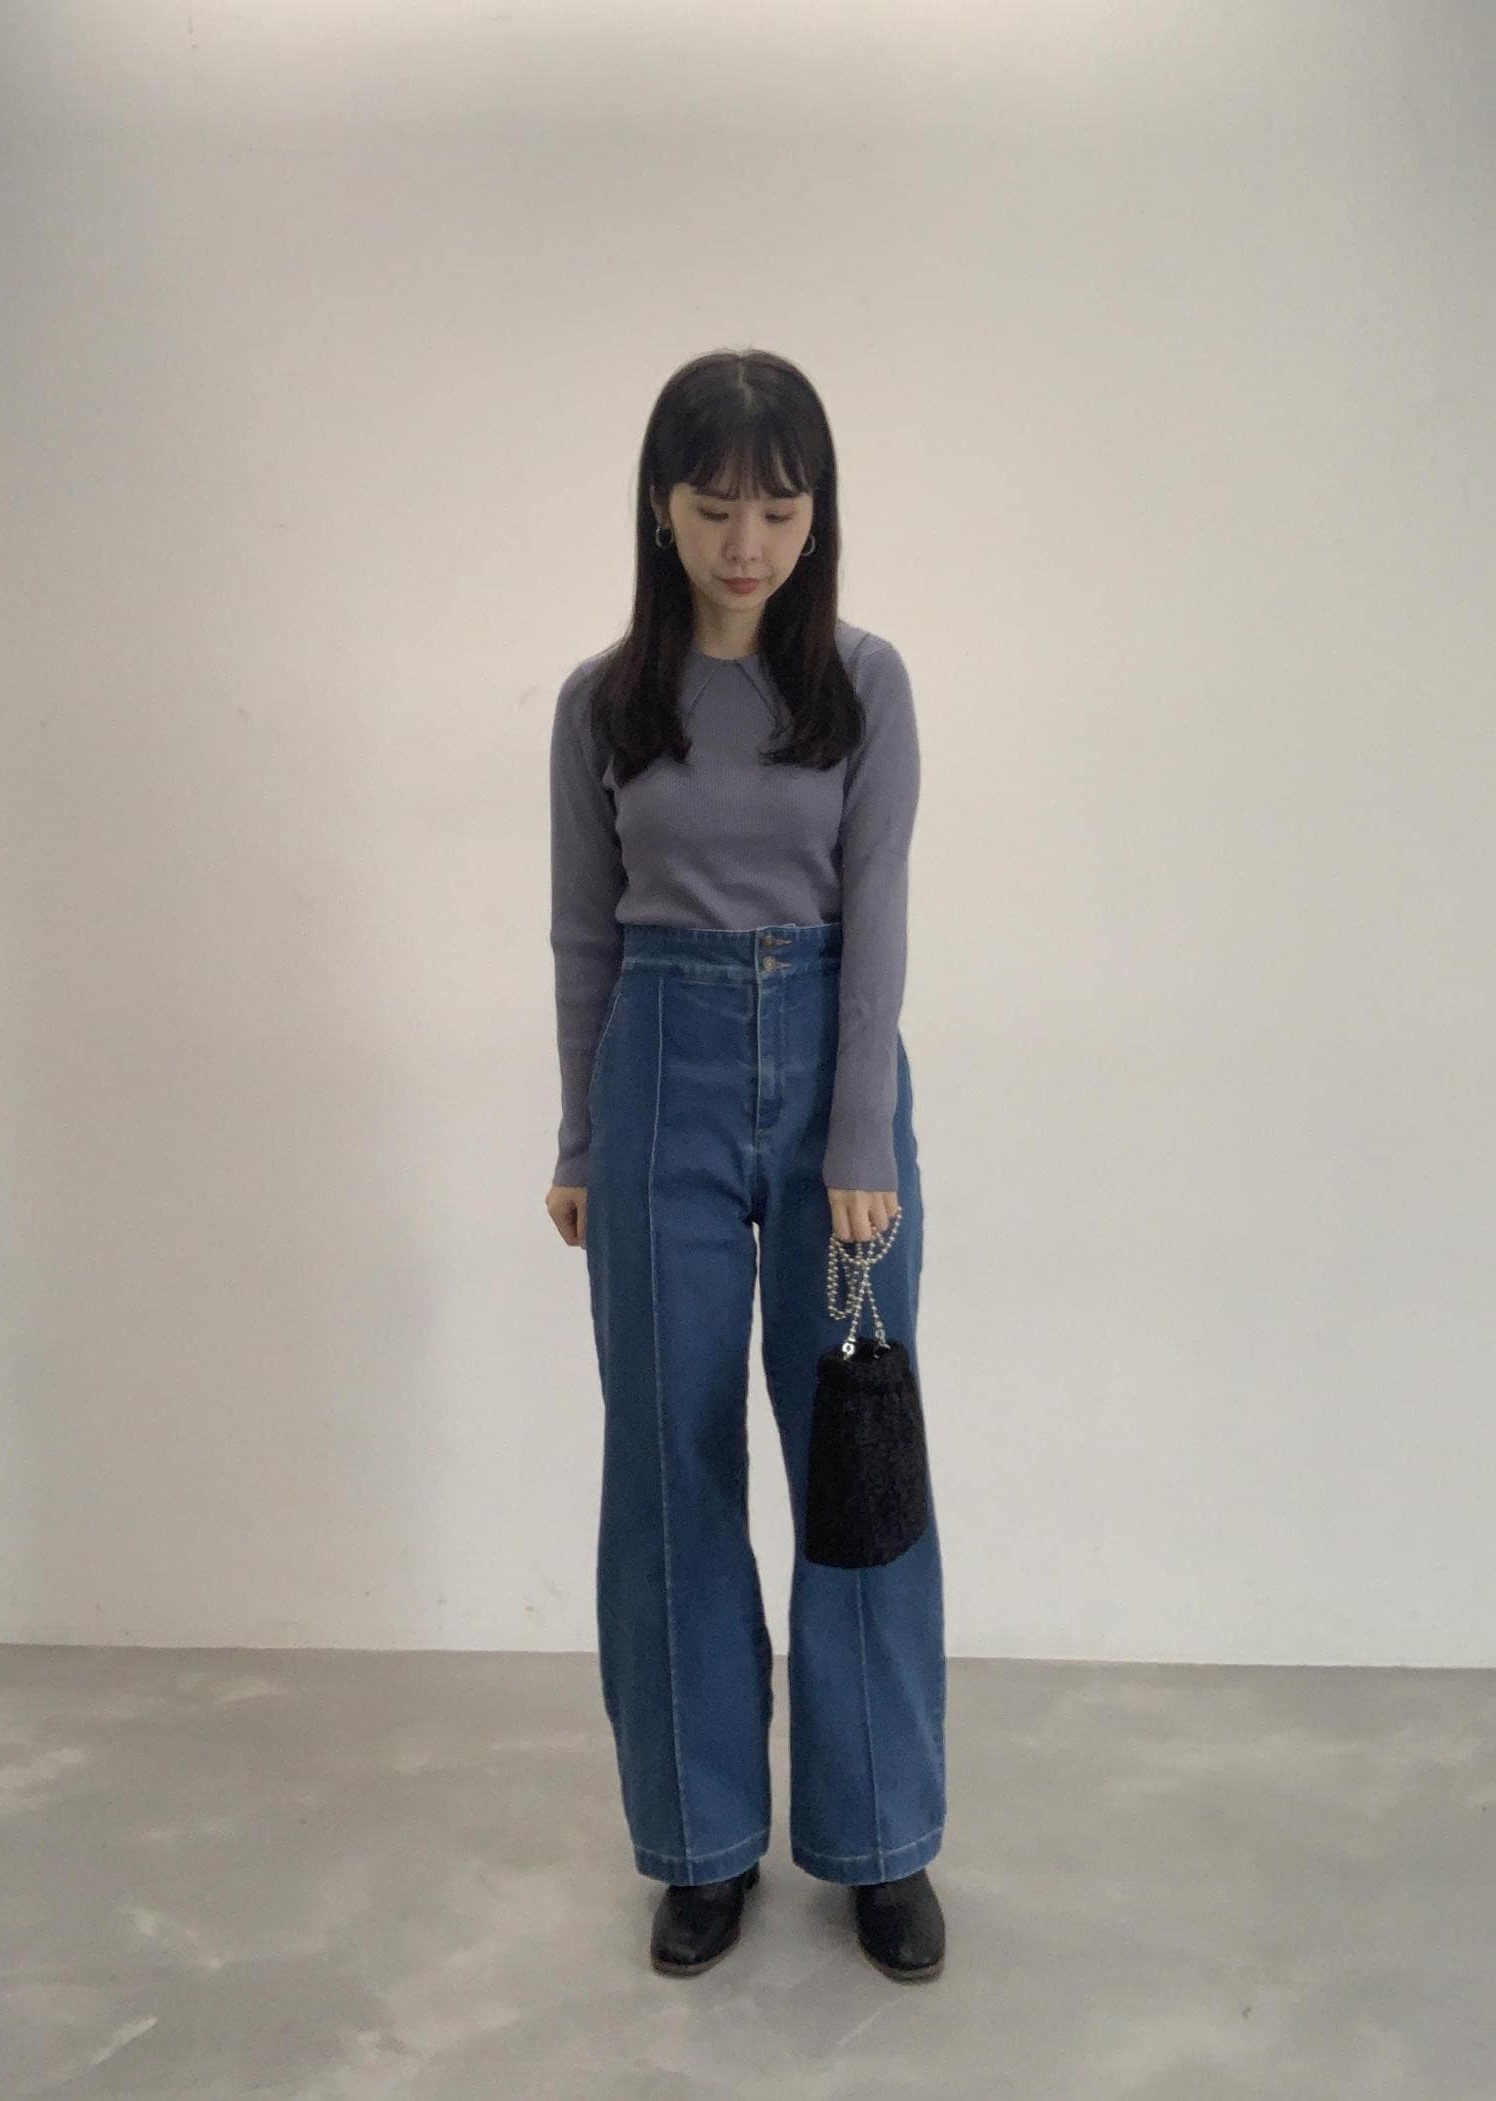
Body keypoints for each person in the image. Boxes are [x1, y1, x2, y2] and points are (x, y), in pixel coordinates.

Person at [545, 348, 947, 1982]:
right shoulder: (603, 704)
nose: (747, 541)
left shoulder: (863, 683)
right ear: (661, 507)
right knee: (669, 1461)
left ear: (816, 514)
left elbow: (882, 909)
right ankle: (701, 1838)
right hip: (662, 1071)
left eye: (780, 508)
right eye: (715, 506)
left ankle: (880, 1839)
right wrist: (581, 1139)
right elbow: (584, 934)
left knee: (858, 1462)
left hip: (834, 1074)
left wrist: (857, 1132)